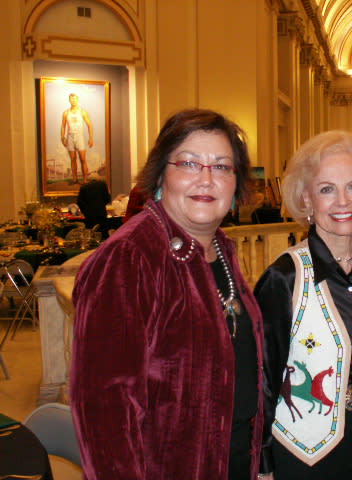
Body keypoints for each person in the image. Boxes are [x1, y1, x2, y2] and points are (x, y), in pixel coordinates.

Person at [70, 109, 264, 480]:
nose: (206, 179)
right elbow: (104, 415)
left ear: (236, 184)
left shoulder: (220, 248)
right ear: (160, 175)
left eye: (222, 167)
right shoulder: (129, 258)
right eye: (189, 163)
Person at [254, 131, 352, 480]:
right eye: (327, 189)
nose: (342, 201)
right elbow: (262, 378)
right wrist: (263, 464)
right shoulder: (284, 276)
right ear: (307, 200)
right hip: (302, 451)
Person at [61, 93, 94, 184]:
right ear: (69, 100)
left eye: (75, 99)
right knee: (73, 159)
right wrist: (62, 137)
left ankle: (85, 179)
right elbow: (63, 126)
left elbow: (89, 125)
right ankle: (75, 179)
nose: (73, 100)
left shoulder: (82, 112)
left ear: (78, 100)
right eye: (71, 99)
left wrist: (91, 138)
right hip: (70, 136)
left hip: (79, 136)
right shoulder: (66, 113)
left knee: (83, 159)